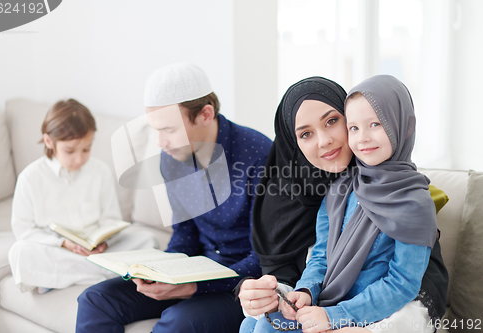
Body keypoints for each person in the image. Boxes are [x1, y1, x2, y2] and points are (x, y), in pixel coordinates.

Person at [238, 76, 448, 332]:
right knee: (253, 324)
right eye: (355, 128)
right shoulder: (339, 189)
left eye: (333, 121)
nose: (324, 140)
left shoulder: (413, 199)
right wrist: (305, 290)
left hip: (361, 314)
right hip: (325, 304)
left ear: (400, 125)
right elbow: (319, 257)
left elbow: (406, 284)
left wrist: (340, 316)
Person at [75, 63, 272, 333]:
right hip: (197, 269)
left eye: (168, 130)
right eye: (155, 130)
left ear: (205, 115)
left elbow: (266, 259)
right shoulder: (171, 160)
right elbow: (185, 234)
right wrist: (160, 273)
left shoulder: (260, 157)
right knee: (95, 299)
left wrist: (196, 286)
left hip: (243, 284)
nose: (159, 142)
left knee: (179, 322)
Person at [8, 99, 158, 294]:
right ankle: (113, 273)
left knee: (148, 239)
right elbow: (24, 231)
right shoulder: (30, 177)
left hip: (99, 251)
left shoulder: (100, 171)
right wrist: (63, 243)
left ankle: (61, 278)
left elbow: (111, 220)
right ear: (49, 141)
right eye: (70, 151)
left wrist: (105, 242)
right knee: (21, 252)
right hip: (60, 251)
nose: (79, 159)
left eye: (86, 149)